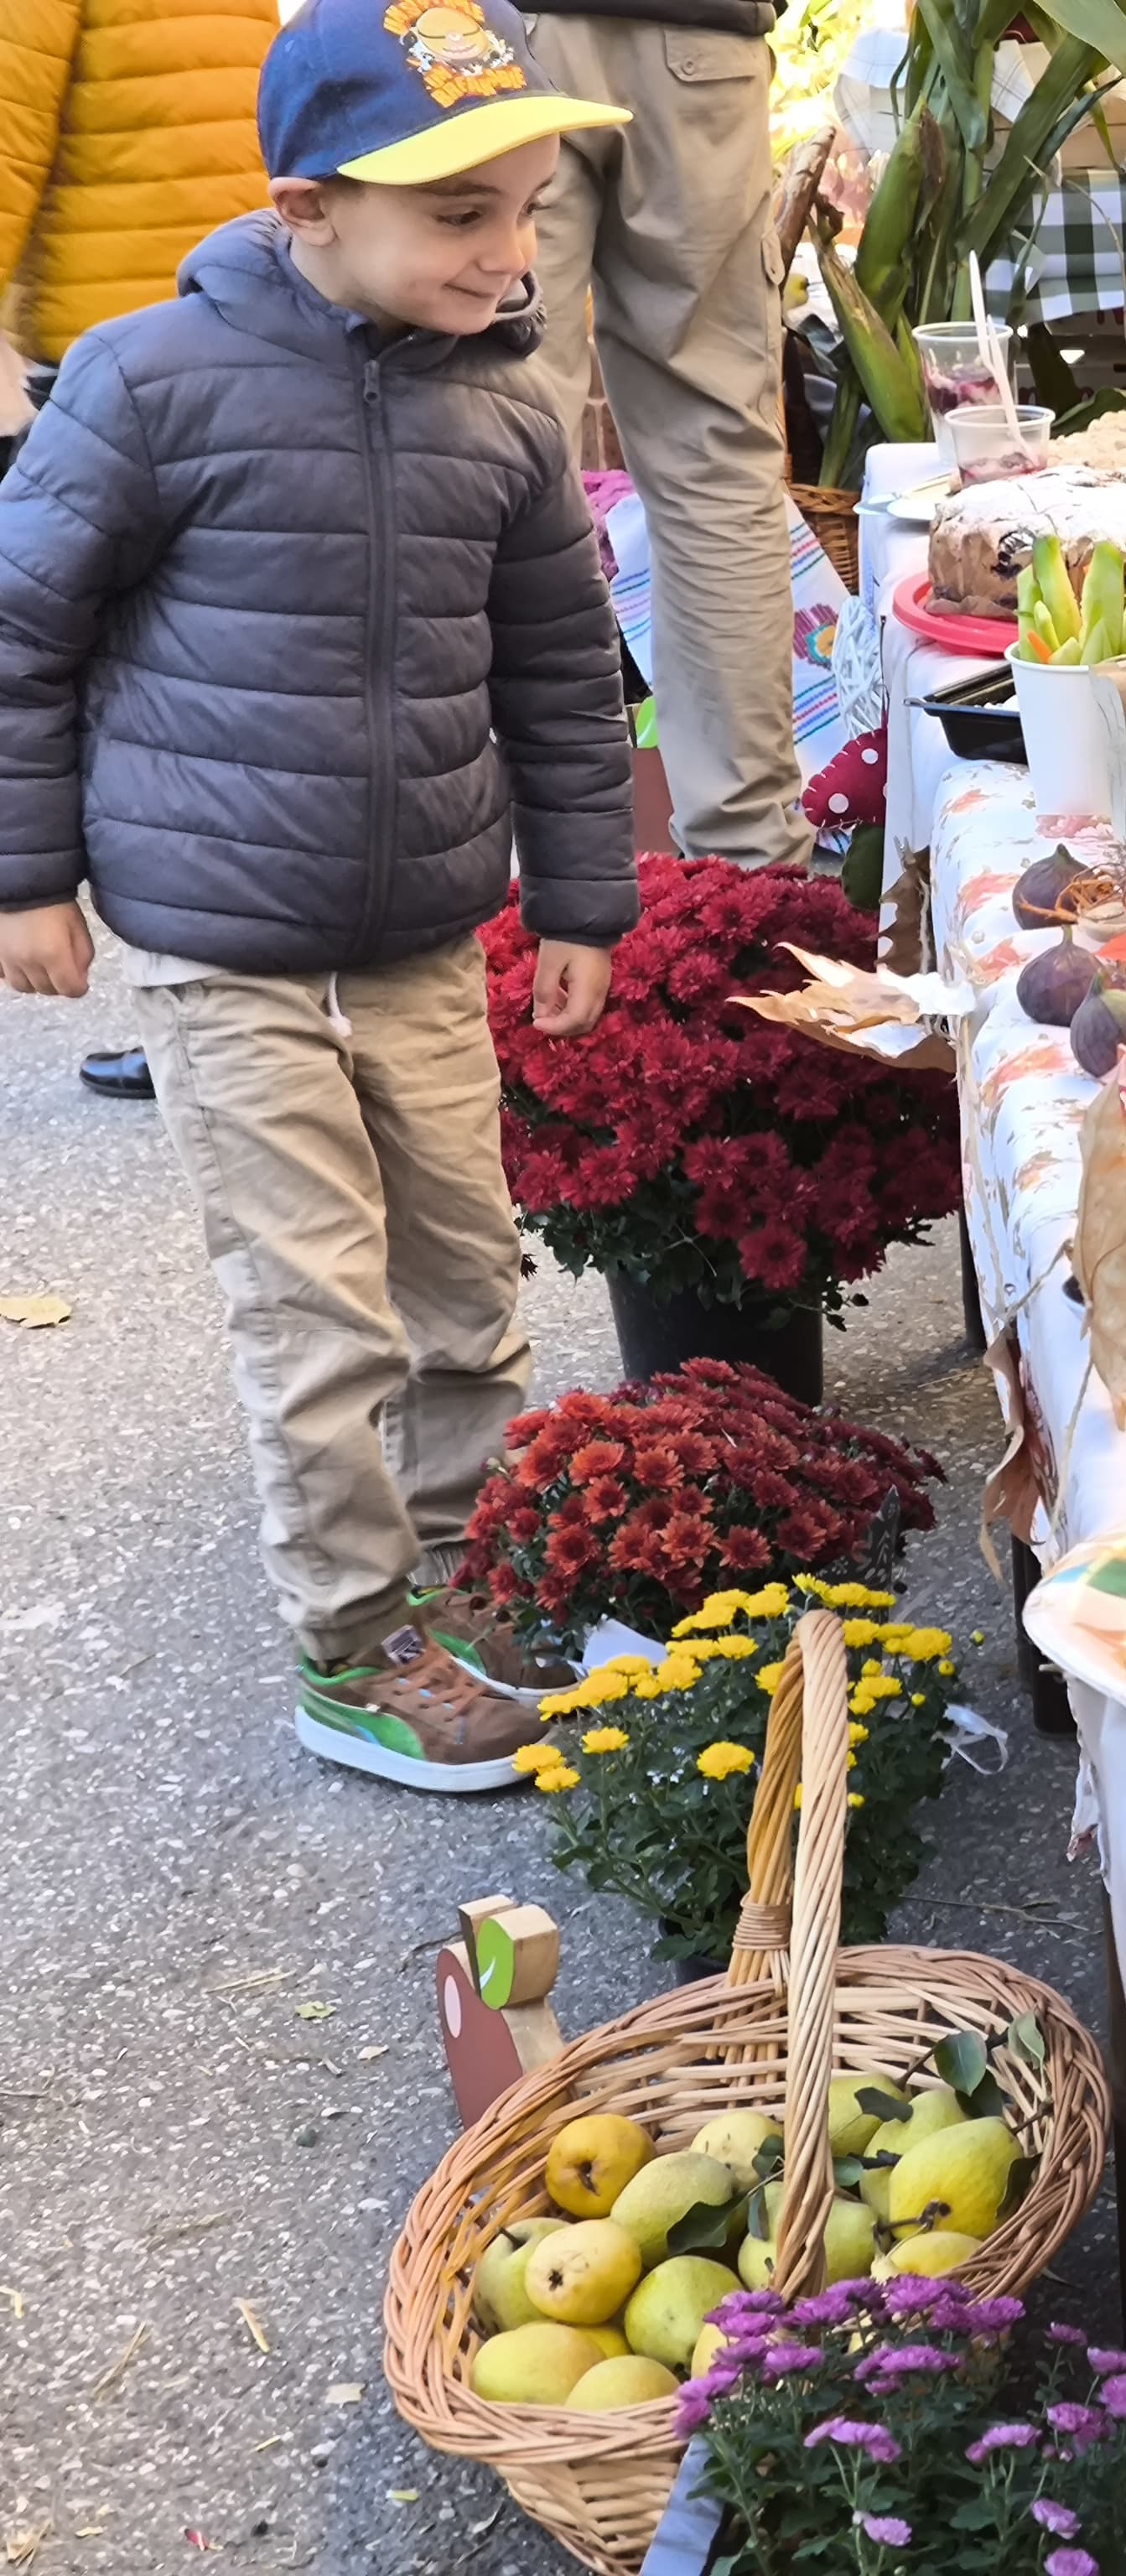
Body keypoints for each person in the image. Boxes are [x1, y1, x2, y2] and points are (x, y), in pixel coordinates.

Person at [0, 0, 641, 1792]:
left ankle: (471, 1572)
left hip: (424, 933)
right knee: (315, 1309)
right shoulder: (146, 383)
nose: (508, 252)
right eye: (459, 219)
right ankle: (353, 1642)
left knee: (463, 1275)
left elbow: (566, 676)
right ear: (305, 210)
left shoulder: (508, 420)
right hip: (223, 944)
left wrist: (582, 901)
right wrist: (25, 875)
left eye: (522, 208)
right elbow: (19, 629)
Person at [0, 0, 283, 1104]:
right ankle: (254, 1003)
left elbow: (11, 116)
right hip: (244, 313)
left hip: (112, 338)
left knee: (134, 685)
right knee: (236, 659)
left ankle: (209, 1007)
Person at [508, 0, 813, 871]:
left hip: (503, 38)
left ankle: (505, 879)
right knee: (714, 461)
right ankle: (750, 869)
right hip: (697, 34)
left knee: (492, 459)